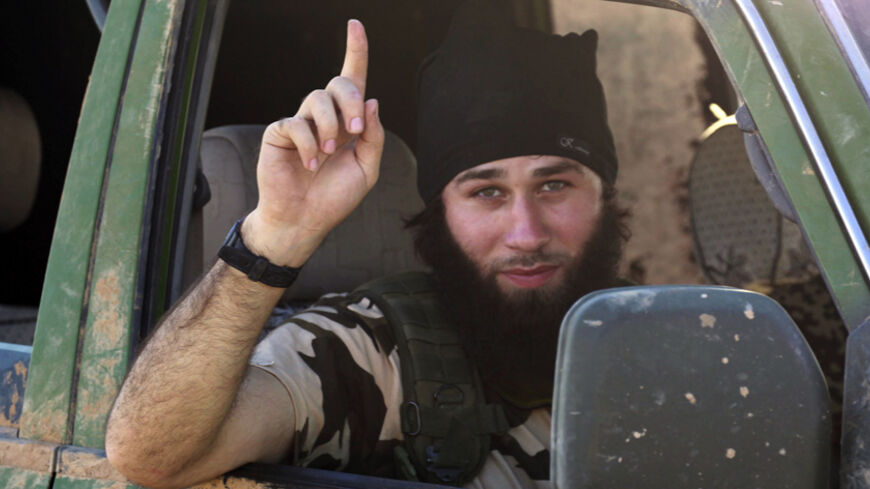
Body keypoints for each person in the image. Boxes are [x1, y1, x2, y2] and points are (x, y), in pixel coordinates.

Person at [105, 4, 627, 488]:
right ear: (439, 213)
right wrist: (275, 238)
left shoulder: (661, 334)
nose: (527, 233)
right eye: (486, 193)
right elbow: (153, 455)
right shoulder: (373, 349)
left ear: (604, 194)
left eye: (554, 186)